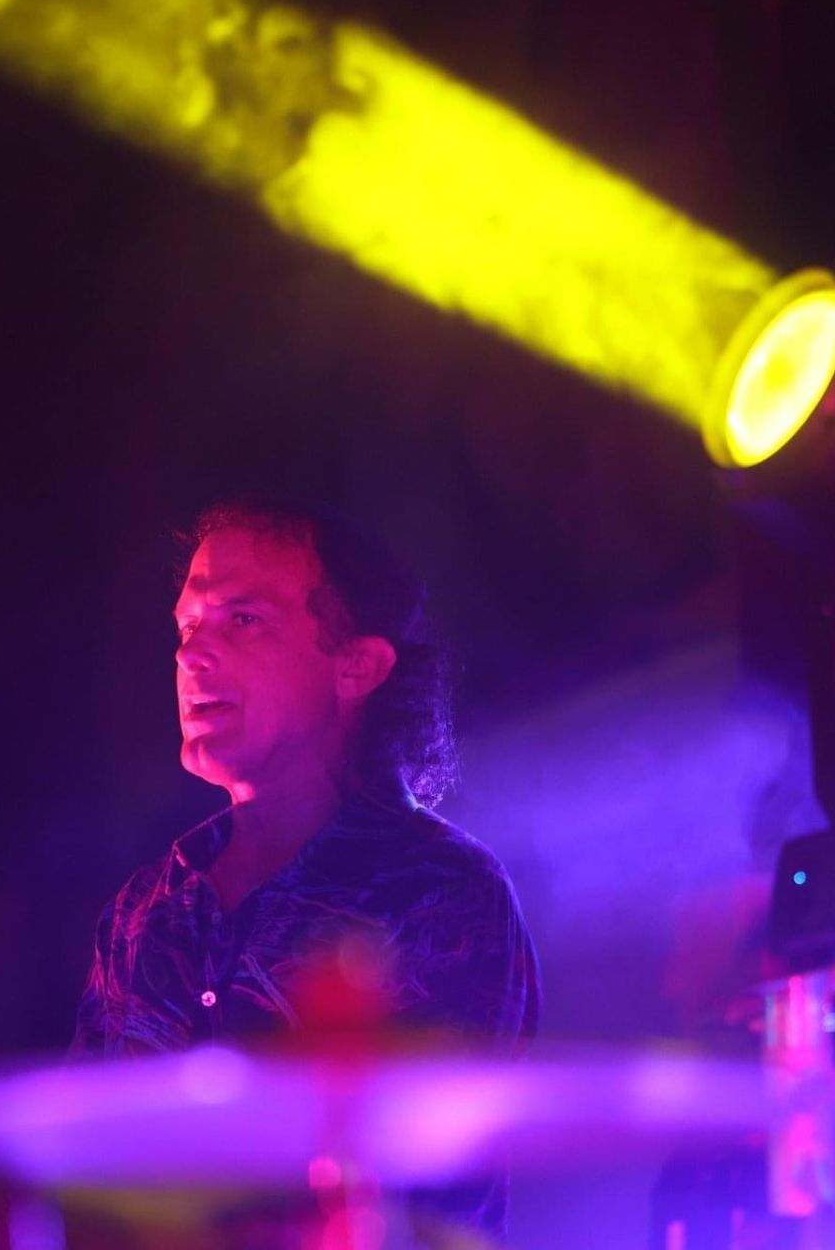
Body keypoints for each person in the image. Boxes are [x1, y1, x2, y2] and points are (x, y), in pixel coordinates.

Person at [71, 498, 539, 1238]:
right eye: (187, 625)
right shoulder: (142, 911)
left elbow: (427, 1190)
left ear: (357, 664)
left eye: (242, 619)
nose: (190, 654)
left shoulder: (442, 891)